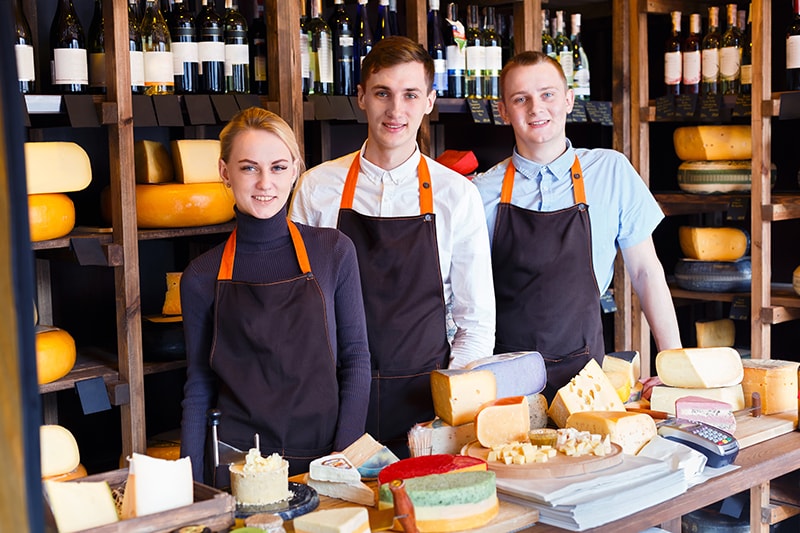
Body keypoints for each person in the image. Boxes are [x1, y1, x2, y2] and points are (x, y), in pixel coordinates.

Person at [290, 36, 495, 455]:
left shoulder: (457, 194)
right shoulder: (316, 187)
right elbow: (297, 307)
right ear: (361, 97)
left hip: (427, 406)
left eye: (410, 95)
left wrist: (450, 404)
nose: (396, 110)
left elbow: (475, 321)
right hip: (336, 400)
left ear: (430, 101)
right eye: (382, 93)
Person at [472, 51, 682, 400]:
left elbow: (646, 272)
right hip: (506, 383)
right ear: (503, 111)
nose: (536, 108)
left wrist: (673, 365)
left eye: (548, 94)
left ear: (569, 100)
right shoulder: (481, 192)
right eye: (521, 99)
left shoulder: (611, 171)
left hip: (586, 379)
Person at [180, 107, 370, 482]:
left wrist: (343, 458)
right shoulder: (201, 275)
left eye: (278, 167)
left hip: (321, 462)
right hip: (238, 468)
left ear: (295, 169)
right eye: (249, 168)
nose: (265, 182)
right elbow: (199, 385)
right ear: (225, 172)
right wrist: (192, 489)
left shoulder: (333, 250)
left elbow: (356, 359)